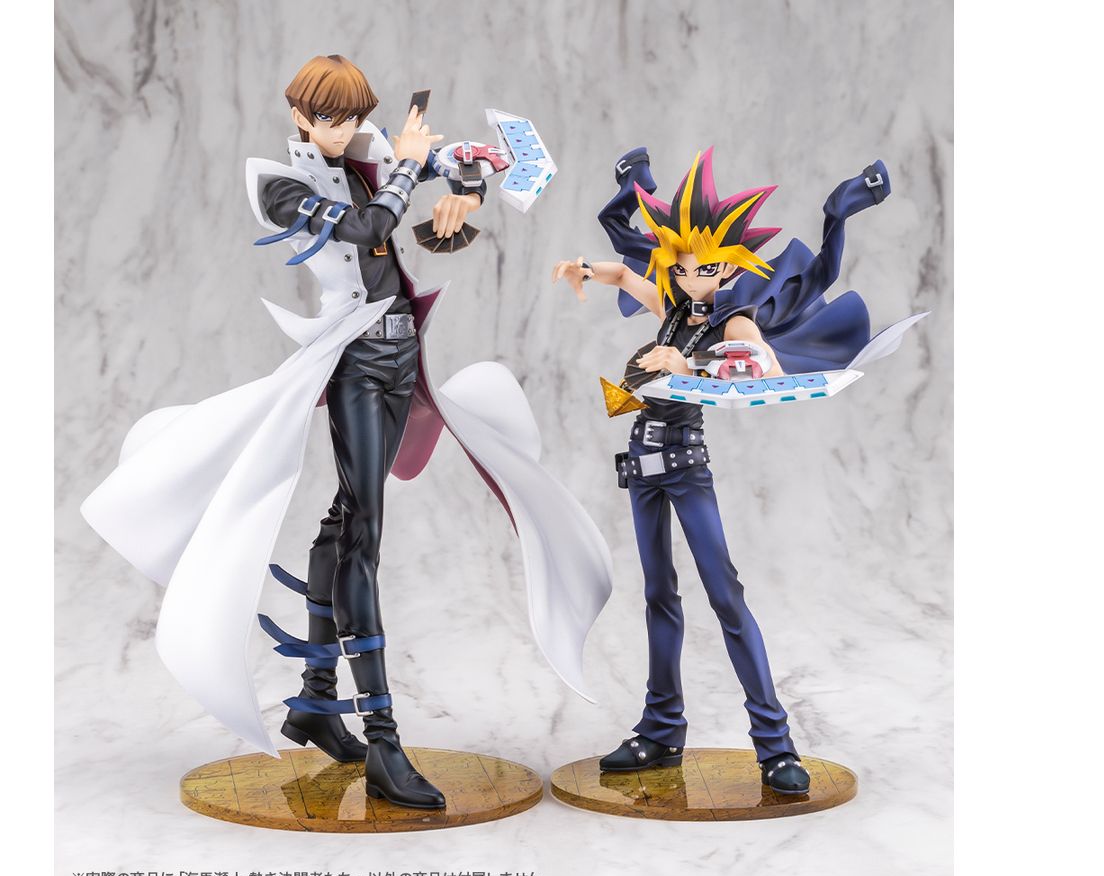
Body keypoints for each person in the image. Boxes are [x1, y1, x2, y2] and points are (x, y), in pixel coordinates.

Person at [82, 56, 612, 811]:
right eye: (329, 118)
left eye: (353, 116)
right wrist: (409, 168)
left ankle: (314, 700)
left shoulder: (369, 162)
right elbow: (367, 227)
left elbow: (440, 198)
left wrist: (463, 192)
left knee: (345, 520)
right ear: (300, 116)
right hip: (356, 362)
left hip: (403, 352)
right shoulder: (280, 185)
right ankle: (383, 741)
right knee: (363, 532)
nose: (343, 129)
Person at [553, 146, 910, 794]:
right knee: (658, 596)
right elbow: (629, 277)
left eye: (705, 267)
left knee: (726, 596)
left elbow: (757, 365)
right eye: (682, 266)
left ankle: (775, 745)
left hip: (685, 467)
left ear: (728, 265)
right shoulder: (672, 306)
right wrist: (584, 268)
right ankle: (661, 730)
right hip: (641, 464)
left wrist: (696, 365)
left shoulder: (734, 318)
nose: (691, 277)